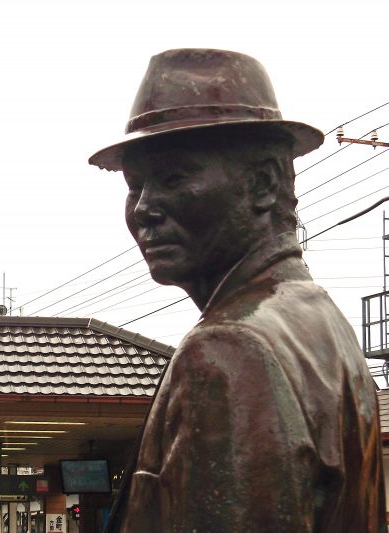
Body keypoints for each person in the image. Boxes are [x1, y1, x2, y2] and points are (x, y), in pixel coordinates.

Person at [89, 48, 386, 532]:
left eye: (174, 177)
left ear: (264, 182)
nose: (144, 208)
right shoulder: (322, 327)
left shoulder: (230, 350)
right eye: (135, 184)